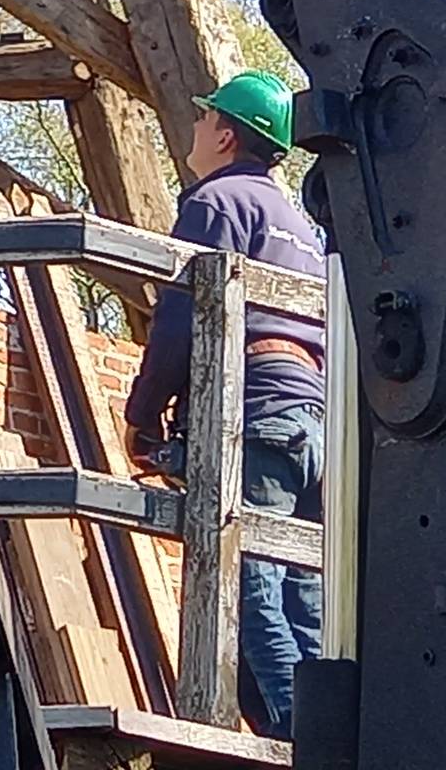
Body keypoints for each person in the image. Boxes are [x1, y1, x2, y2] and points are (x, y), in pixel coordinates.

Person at [124, 71, 327, 738]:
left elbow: (181, 319)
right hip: (313, 421)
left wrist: (143, 414)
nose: (196, 125)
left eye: (205, 116)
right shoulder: (303, 227)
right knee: (305, 593)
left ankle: (300, 739)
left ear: (227, 135)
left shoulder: (216, 203)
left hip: (256, 414)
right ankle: (329, 732)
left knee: (246, 584)